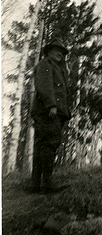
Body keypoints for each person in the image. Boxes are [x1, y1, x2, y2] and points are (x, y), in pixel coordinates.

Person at [30, 38, 71, 193]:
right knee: (50, 142)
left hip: (49, 110)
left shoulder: (59, 69)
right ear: (48, 52)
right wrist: (52, 105)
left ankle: (36, 184)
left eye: (61, 52)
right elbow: (44, 86)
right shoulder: (46, 65)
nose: (59, 54)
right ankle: (47, 183)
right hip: (47, 111)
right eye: (56, 50)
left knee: (42, 145)